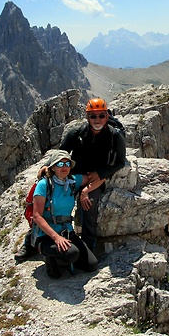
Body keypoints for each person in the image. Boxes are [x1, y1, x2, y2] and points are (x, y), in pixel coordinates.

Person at [60, 98, 126, 251]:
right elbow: (61, 153)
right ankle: (35, 239)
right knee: (54, 198)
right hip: (75, 175)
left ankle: (89, 247)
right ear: (87, 117)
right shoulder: (76, 134)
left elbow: (121, 162)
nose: (97, 120)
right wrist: (47, 167)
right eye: (93, 116)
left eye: (101, 116)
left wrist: (101, 173)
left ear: (107, 116)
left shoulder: (115, 136)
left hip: (97, 179)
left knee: (88, 203)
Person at [31, 149, 101, 278]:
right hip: (46, 235)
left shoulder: (72, 182)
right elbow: (36, 216)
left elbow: (99, 177)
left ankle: (67, 259)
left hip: (67, 231)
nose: (64, 168)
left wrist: (85, 191)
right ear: (52, 168)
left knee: (92, 264)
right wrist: (56, 237)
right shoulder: (44, 184)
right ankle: (51, 260)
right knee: (71, 254)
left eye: (67, 164)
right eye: (60, 164)